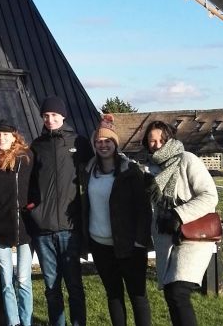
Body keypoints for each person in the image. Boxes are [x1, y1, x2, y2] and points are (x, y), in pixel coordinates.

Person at [143, 121, 218, 326]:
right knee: (171, 294)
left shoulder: (187, 160)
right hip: (168, 239)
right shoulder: (150, 168)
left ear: (170, 139)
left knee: (178, 292)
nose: (157, 145)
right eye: (152, 141)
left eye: (161, 140)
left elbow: (210, 196)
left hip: (194, 236)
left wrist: (178, 215)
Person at [81, 115, 152, 326]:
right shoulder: (88, 172)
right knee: (113, 294)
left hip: (129, 244)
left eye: (108, 141)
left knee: (137, 295)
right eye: (99, 141)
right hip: (100, 245)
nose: (103, 145)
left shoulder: (130, 172)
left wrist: (140, 241)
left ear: (115, 143)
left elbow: (143, 209)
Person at [28, 95, 91, 326]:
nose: (50, 119)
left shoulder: (80, 143)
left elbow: (97, 170)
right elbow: (28, 182)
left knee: (74, 285)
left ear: (63, 116)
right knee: (51, 287)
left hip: (70, 227)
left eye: (54, 115)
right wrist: (33, 209)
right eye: (46, 115)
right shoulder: (36, 146)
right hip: (43, 229)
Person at [0, 119, 34, 326]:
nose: (1, 138)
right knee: (6, 279)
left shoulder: (26, 158)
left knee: (23, 279)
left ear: (14, 136)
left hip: (25, 226)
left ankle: (26, 321)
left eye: (5, 134)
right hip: (0, 224)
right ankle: (13, 321)